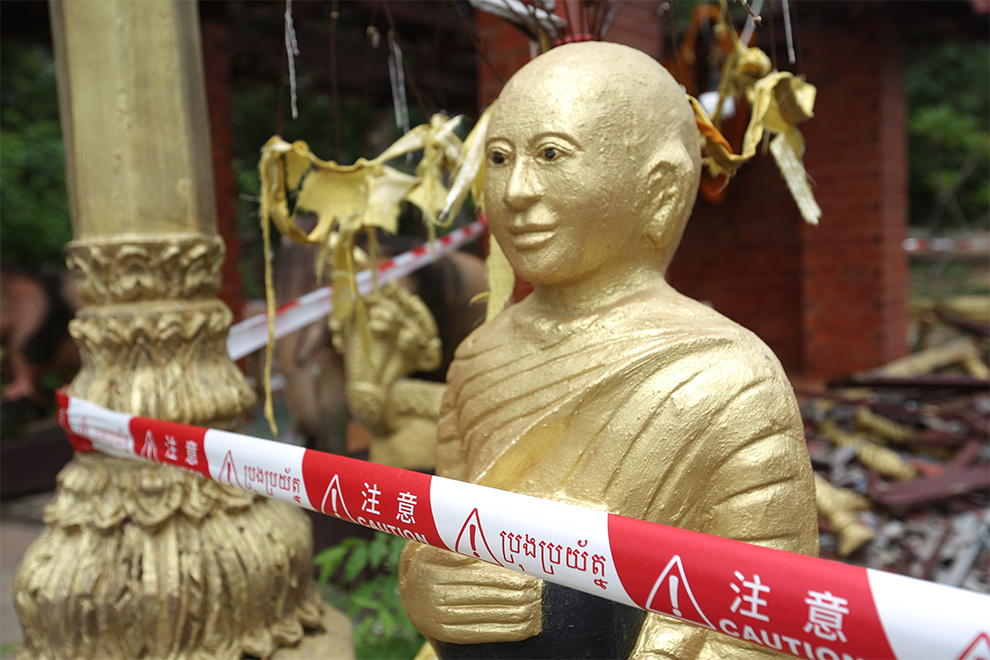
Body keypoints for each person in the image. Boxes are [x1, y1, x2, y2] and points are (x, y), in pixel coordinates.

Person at [399, 41, 818, 660]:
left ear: (662, 189)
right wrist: (426, 585)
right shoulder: (477, 358)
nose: (515, 190)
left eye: (551, 155)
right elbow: (445, 526)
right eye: (498, 156)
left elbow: (771, 616)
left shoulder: (732, 377)